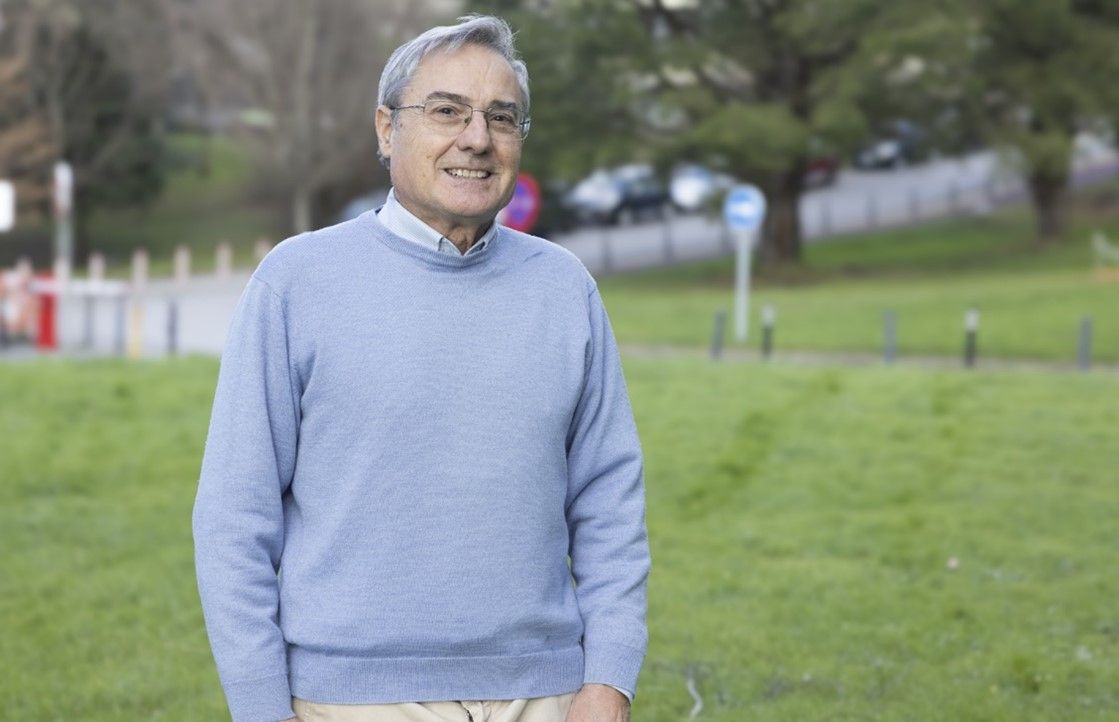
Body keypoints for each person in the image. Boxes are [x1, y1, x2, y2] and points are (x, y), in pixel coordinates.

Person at [192, 15, 650, 722]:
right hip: (349, 700)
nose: (476, 138)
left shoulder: (564, 288)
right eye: (446, 112)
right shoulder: (296, 282)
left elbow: (609, 504)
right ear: (385, 129)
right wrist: (259, 708)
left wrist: (609, 677)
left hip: (548, 696)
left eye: (502, 117)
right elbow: (233, 519)